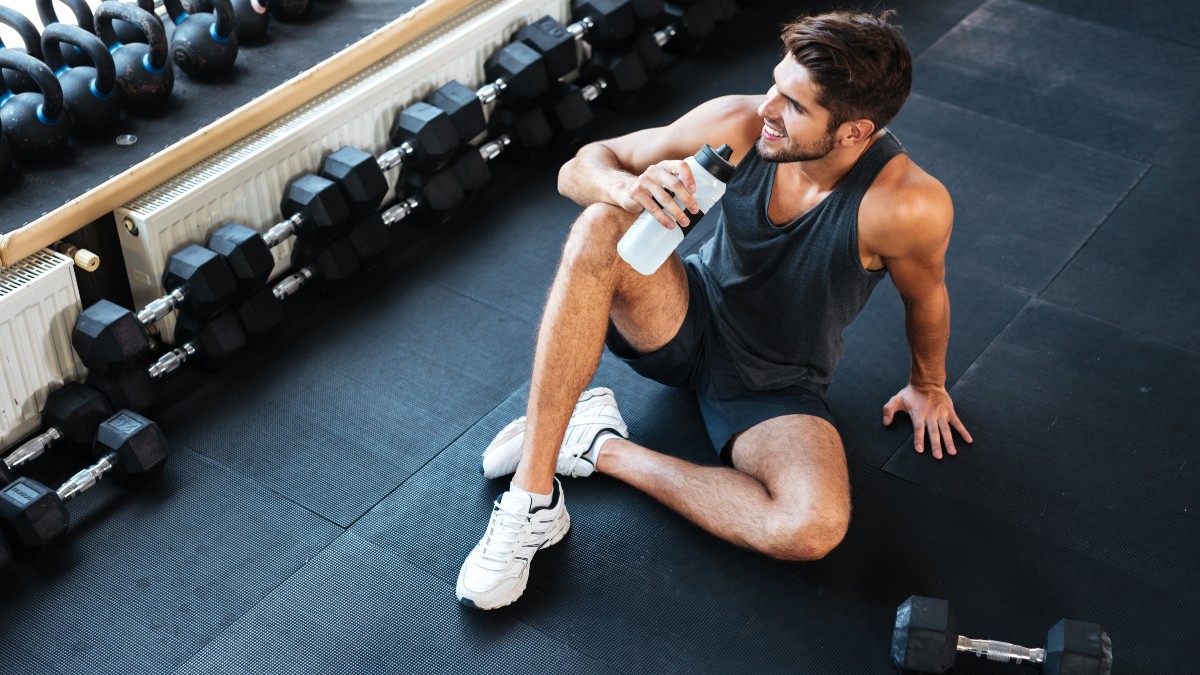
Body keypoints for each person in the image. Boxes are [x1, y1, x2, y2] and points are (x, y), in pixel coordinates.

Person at [456, 10, 972, 610]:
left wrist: (928, 384)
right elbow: (582, 164)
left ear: (855, 131)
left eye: (795, 105)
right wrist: (625, 188)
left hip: (775, 382)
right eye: (775, 83)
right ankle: (533, 498)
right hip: (683, 317)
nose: (769, 108)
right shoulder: (741, 122)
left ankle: (598, 445)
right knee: (600, 222)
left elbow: (925, 295)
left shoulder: (906, 206)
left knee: (811, 528)